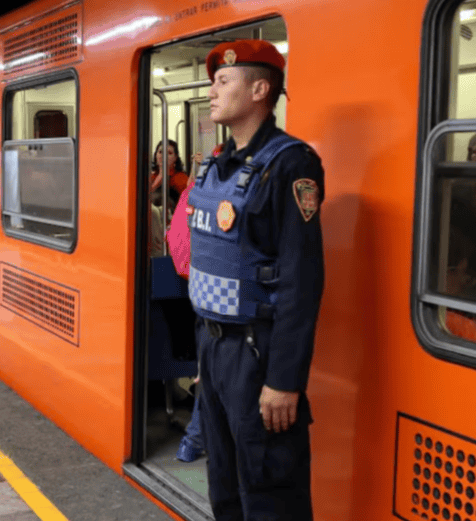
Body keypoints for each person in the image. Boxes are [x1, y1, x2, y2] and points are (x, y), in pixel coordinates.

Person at [187, 40, 324, 520]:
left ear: (260, 90)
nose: (211, 92)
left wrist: (284, 380)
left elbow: (302, 280)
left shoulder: (291, 164)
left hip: (257, 353)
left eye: (223, 81)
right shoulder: (215, 166)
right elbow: (211, 263)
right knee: (224, 488)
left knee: (269, 495)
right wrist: (206, 356)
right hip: (215, 349)